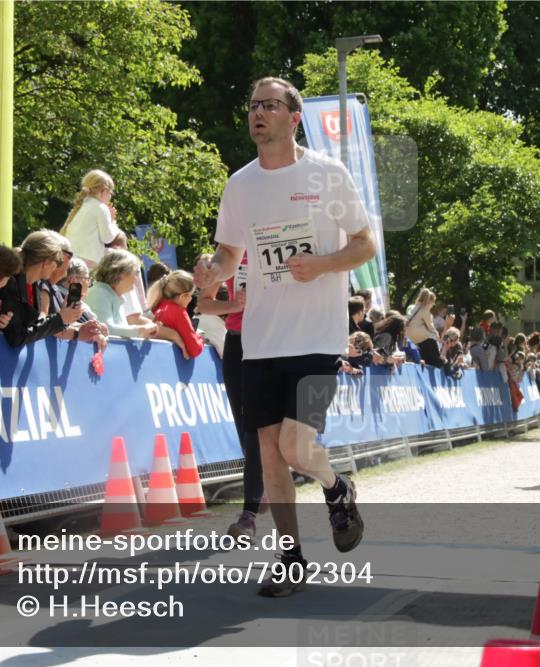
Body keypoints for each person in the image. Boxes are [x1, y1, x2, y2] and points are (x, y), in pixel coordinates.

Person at [193, 76, 375, 597]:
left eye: (270, 105)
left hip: (317, 338)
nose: (258, 113)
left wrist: (321, 264)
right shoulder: (241, 183)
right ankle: (290, 558)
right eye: (253, 105)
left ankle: (337, 487)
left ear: (294, 118)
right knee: (271, 453)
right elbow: (230, 253)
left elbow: (364, 244)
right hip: (261, 340)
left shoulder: (328, 174)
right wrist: (212, 270)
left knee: (296, 447)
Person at [196, 255, 265, 539]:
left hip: (273, 341)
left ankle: (249, 512)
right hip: (237, 342)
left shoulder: (283, 239)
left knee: (260, 430)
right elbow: (203, 304)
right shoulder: (230, 251)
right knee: (246, 428)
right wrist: (233, 306)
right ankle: (257, 496)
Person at [0, 231, 85, 347]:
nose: (57, 267)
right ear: (46, 262)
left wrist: (64, 318)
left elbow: (35, 325)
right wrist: (60, 319)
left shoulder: (34, 286)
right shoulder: (10, 283)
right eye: (58, 262)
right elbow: (17, 336)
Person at [84, 249, 168, 341]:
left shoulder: (112, 295)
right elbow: (106, 330)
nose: (136, 279)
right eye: (135, 273)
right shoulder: (99, 293)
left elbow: (118, 334)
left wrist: (144, 333)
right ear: (121, 274)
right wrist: (141, 329)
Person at [60, 169, 124, 269]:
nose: (110, 197)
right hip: (87, 263)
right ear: (104, 191)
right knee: (122, 256)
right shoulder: (100, 207)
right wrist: (112, 222)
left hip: (72, 260)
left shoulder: (82, 205)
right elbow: (107, 238)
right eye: (110, 193)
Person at [151, 270, 205, 359]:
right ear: (183, 296)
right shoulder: (179, 312)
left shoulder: (156, 306)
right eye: (190, 295)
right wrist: (200, 338)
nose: (191, 299)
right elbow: (194, 349)